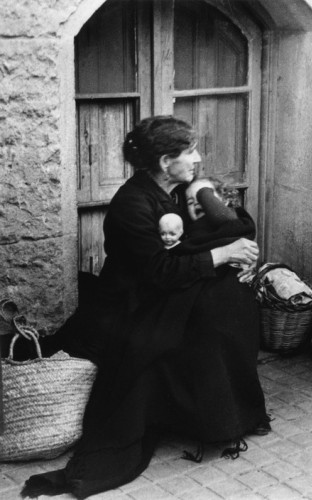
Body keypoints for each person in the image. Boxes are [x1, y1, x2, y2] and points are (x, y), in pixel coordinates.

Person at [23, 115, 270, 500]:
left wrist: (240, 256)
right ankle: (215, 414)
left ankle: (233, 411)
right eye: (189, 152)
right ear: (164, 161)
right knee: (209, 319)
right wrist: (222, 255)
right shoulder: (132, 203)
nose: (197, 159)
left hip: (166, 292)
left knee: (230, 302)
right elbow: (159, 271)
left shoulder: (181, 190)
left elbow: (212, 231)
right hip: (132, 305)